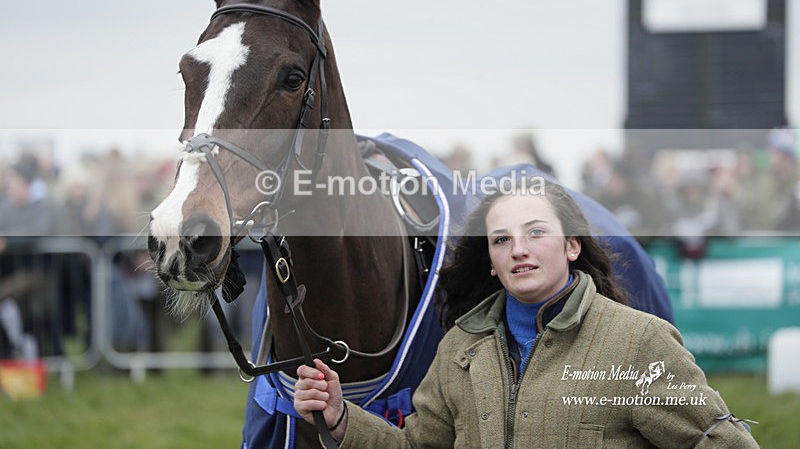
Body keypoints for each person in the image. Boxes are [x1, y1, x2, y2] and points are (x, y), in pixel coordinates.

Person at [294, 178, 758, 447]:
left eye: (536, 233)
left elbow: (715, 441)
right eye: (501, 240)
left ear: (572, 245)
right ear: (491, 263)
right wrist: (340, 417)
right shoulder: (460, 348)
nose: (519, 249)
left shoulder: (640, 343)